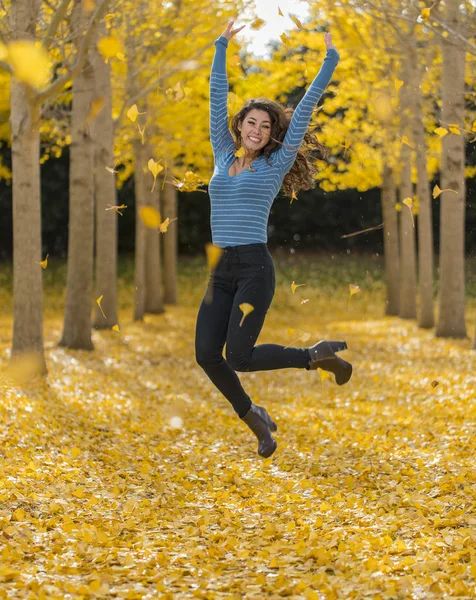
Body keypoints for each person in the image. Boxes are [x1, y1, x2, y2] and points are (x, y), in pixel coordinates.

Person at [195, 21, 351, 459]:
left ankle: (312, 355)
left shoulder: (275, 164)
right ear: (240, 124)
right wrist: (222, 44)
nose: (257, 129)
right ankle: (255, 417)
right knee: (207, 354)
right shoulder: (223, 153)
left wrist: (329, 62)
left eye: (265, 125)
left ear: (271, 132)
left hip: (253, 268)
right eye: (251, 121)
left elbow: (303, 111)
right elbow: (215, 95)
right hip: (219, 268)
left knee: (239, 356)